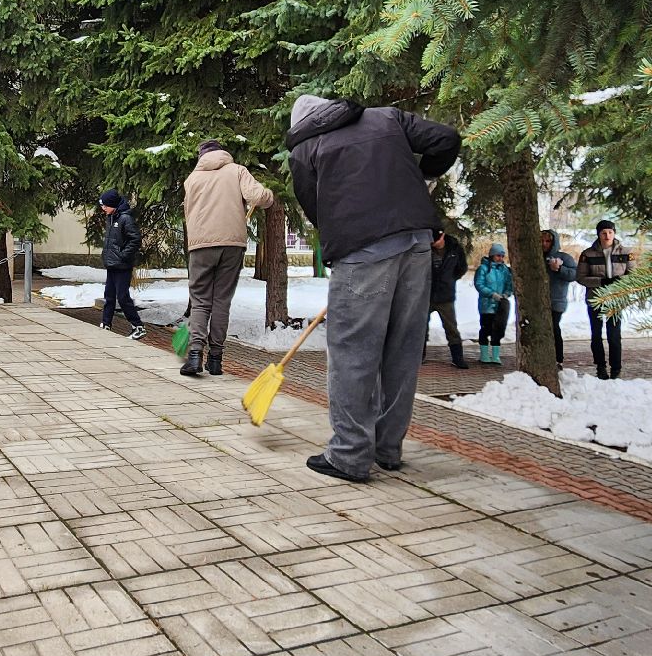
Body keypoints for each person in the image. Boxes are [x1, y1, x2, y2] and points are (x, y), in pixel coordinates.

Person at [287, 95, 461, 482]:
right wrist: (422, 179)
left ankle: (349, 455)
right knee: (402, 348)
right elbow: (446, 139)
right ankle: (387, 448)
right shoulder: (387, 118)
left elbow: (316, 209)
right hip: (416, 244)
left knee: (353, 352)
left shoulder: (304, 149)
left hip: (362, 252)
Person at [180, 140, 274, 377]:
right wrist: (268, 196)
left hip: (201, 245)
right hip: (232, 244)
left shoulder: (192, 179)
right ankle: (215, 360)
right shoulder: (237, 171)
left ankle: (194, 356)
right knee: (222, 300)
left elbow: (188, 212)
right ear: (223, 153)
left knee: (200, 300)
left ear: (201, 156)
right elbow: (259, 196)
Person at [576, 219, 631, 379]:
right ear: (598, 234)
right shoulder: (588, 254)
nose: (607, 236)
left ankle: (616, 368)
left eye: (610, 232)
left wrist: (619, 282)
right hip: (596, 299)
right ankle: (600, 367)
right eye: (603, 233)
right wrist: (601, 282)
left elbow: (633, 275)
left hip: (616, 299)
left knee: (614, 335)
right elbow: (580, 277)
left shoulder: (625, 252)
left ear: (614, 233)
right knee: (596, 334)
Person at [98, 190, 147, 339]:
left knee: (122, 296)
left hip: (122, 265)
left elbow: (135, 240)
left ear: (113, 204)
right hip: (112, 264)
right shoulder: (111, 217)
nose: (103, 208)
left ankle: (138, 326)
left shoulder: (125, 218)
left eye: (105, 205)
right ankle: (105, 324)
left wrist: (123, 256)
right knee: (109, 296)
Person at [428, 229, 469, 369]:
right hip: (426, 294)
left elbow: (462, 268)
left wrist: (450, 279)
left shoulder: (455, 249)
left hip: (446, 295)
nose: (434, 244)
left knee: (451, 328)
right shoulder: (426, 249)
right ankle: (418, 357)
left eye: (437, 241)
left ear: (443, 237)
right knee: (420, 328)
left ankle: (458, 358)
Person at [473, 243, 514, 365]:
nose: (500, 258)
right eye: (498, 255)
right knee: (486, 329)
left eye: (502, 256)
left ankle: (495, 355)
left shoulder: (504, 270)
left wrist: (506, 294)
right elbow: (479, 284)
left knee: (498, 330)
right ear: (492, 255)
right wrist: (491, 294)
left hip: (500, 306)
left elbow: (509, 284)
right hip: (486, 305)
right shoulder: (484, 269)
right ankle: (484, 354)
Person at [541, 229, 577, 364]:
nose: (544, 244)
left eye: (548, 241)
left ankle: (558, 359)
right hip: (538, 301)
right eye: (542, 241)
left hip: (556, 301)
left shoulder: (564, 257)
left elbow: (574, 274)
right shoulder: (535, 257)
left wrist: (560, 269)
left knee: (553, 328)